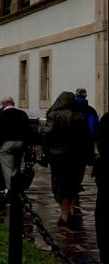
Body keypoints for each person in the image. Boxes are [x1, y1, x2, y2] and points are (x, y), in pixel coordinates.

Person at [41, 91, 93, 226]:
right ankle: (70, 211)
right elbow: (87, 138)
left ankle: (64, 215)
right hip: (77, 157)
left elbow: (47, 135)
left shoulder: (54, 115)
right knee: (73, 185)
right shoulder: (80, 116)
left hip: (59, 157)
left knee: (60, 186)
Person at [0, 97, 32, 190]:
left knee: (7, 168)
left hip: (7, 144)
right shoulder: (22, 113)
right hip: (21, 143)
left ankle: (11, 189)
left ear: (4, 104)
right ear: (13, 104)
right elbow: (28, 131)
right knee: (17, 166)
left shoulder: (1, 115)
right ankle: (17, 182)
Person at [94, 112, 109, 264]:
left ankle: (105, 259)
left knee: (103, 216)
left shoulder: (106, 119)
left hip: (105, 172)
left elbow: (99, 141)